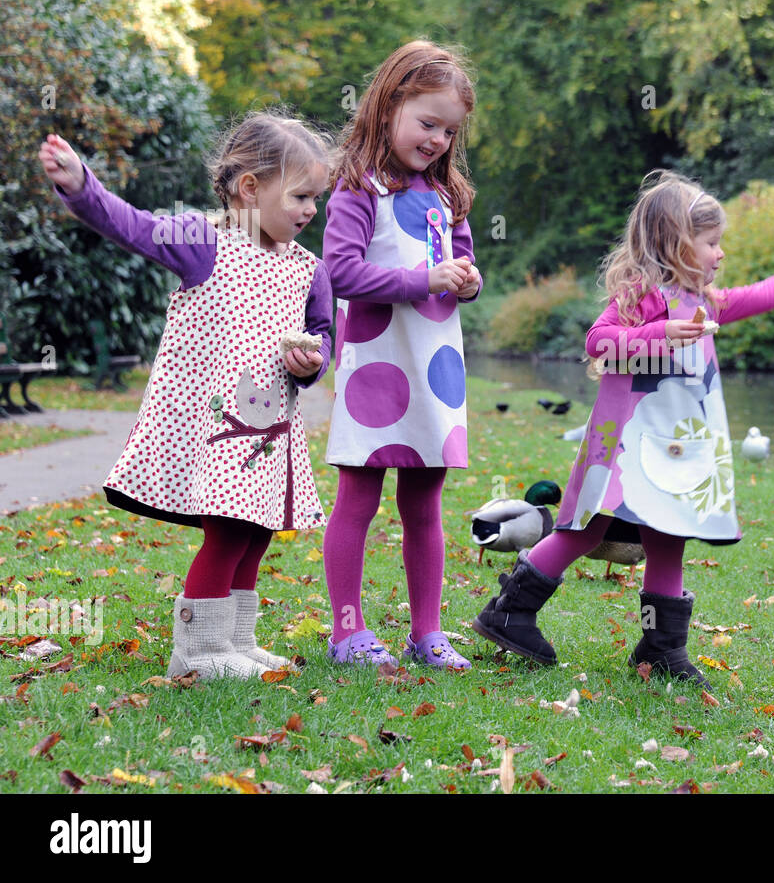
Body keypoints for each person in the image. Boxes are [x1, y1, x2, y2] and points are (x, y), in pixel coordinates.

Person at [473, 170, 774, 686]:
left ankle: (661, 647)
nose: (720, 254)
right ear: (675, 244)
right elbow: (600, 342)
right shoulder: (643, 294)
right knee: (586, 529)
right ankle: (509, 612)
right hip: (625, 447)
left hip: (674, 454)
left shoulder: (705, 302)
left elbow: (770, 293)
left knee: (669, 537)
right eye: (711, 243)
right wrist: (659, 332)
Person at [38, 110, 335, 679]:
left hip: (269, 434)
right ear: (250, 189)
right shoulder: (203, 242)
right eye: (300, 196)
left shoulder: (308, 270)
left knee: (257, 531)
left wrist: (311, 362)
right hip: (214, 427)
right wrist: (80, 185)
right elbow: (131, 224)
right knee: (226, 532)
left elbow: (323, 336)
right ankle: (195, 653)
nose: (309, 210)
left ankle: (236, 642)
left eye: (315, 199)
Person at [321, 41, 482, 669]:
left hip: (434, 368)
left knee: (426, 502)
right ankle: (346, 630)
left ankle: (427, 631)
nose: (438, 139)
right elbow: (341, 271)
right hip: (377, 363)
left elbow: (462, 263)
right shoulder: (357, 188)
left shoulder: (448, 195)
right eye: (427, 122)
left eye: (449, 129)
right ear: (389, 105)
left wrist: (467, 279)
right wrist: (425, 282)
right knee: (358, 497)